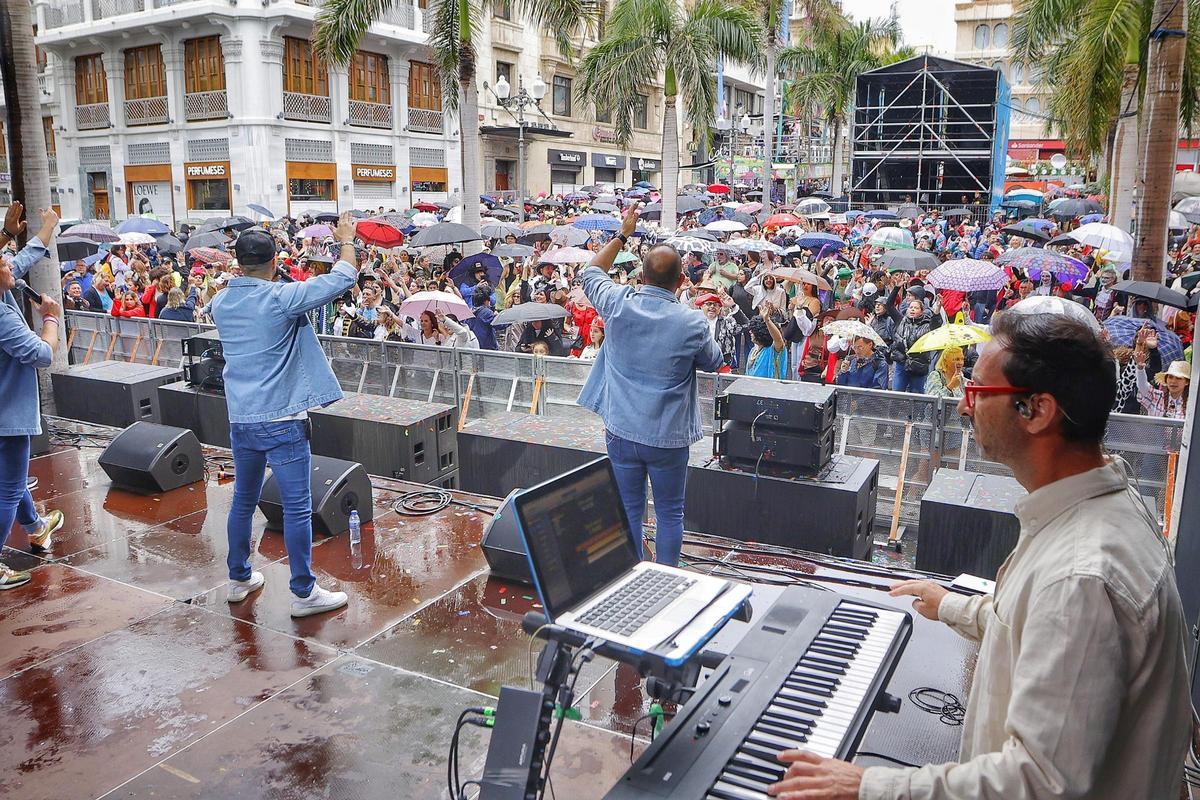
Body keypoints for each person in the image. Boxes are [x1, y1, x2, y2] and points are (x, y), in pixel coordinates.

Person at [769, 302, 1191, 799]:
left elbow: (1039, 782)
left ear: (1036, 410)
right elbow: (1033, 628)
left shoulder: (1079, 577)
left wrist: (867, 785)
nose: (964, 407)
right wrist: (952, 606)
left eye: (978, 391)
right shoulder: (1105, 508)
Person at [209, 216, 359, 618]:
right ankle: (303, 593)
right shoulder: (280, 298)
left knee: (243, 500)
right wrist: (346, 240)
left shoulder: (220, 302)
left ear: (238, 262)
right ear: (275, 261)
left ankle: (239, 579)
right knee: (296, 507)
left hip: (242, 419)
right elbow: (343, 278)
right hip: (283, 421)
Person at [578, 203, 722, 566]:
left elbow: (591, 271)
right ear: (681, 281)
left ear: (641, 277)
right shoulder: (691, 322)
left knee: (629, 508)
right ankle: (666, 579)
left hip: (622, 431)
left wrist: (623, 234)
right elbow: (713, 361)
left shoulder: (617, 303)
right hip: (667, 437)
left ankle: (632, 573)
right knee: (670, 513)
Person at [0, 206, 65, 587]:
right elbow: (41, 354)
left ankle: (37, 527)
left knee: (12, 476)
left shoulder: (4, 289)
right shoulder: (4, 318)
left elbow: (23, 258)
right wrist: (50, 319)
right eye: (3, 263)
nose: (9, 263)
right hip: (8, 414)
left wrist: (44, 229)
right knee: (9, 487)